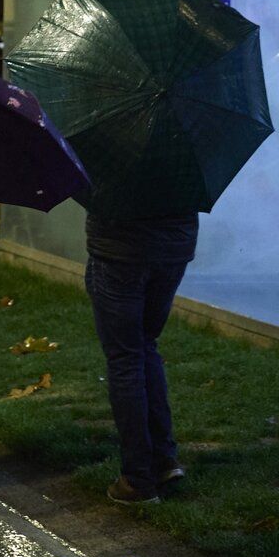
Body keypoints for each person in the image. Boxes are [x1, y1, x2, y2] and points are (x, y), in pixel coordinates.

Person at [83, 206, 198, 505]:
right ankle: (163, 460)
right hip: (174, 248)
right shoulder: (183, 159)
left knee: (126, 358)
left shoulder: (115, 158)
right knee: (146, 345)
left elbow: (88, 189)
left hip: (119, 251)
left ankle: (136, 479)